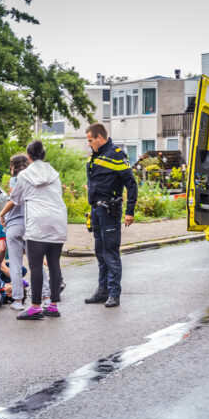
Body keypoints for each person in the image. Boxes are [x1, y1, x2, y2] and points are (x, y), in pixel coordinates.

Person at [0, 140, 67, 320]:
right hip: (58, 220)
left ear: (29, 157)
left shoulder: (24, 175)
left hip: (37, 223)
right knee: (54, 264)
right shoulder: (54, 173)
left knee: (35, 265)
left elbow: (15, 199)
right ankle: (53, 306)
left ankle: (35, 307)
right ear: (43, 155)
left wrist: (1, 215)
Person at [84, 123, 138, 308]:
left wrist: (130, 211)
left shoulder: (117, 154)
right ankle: (102, 291)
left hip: (110, 211)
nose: (89, 144)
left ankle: (114, 293)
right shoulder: (96, 156)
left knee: (111, 253)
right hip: (96, 210)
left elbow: (131, 184)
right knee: (100, 252)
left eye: (91, 141)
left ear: (100, 137)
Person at [0, 153, 50, 311]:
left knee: (15, 264)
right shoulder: (35, 180)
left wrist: (1, 215)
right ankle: (47, 297)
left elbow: (13, 201)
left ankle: (18, 300)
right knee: (36, 263)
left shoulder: (15, 180)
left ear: (14, 167)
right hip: (31, 223)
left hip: (14, 225)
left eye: (10, 165)